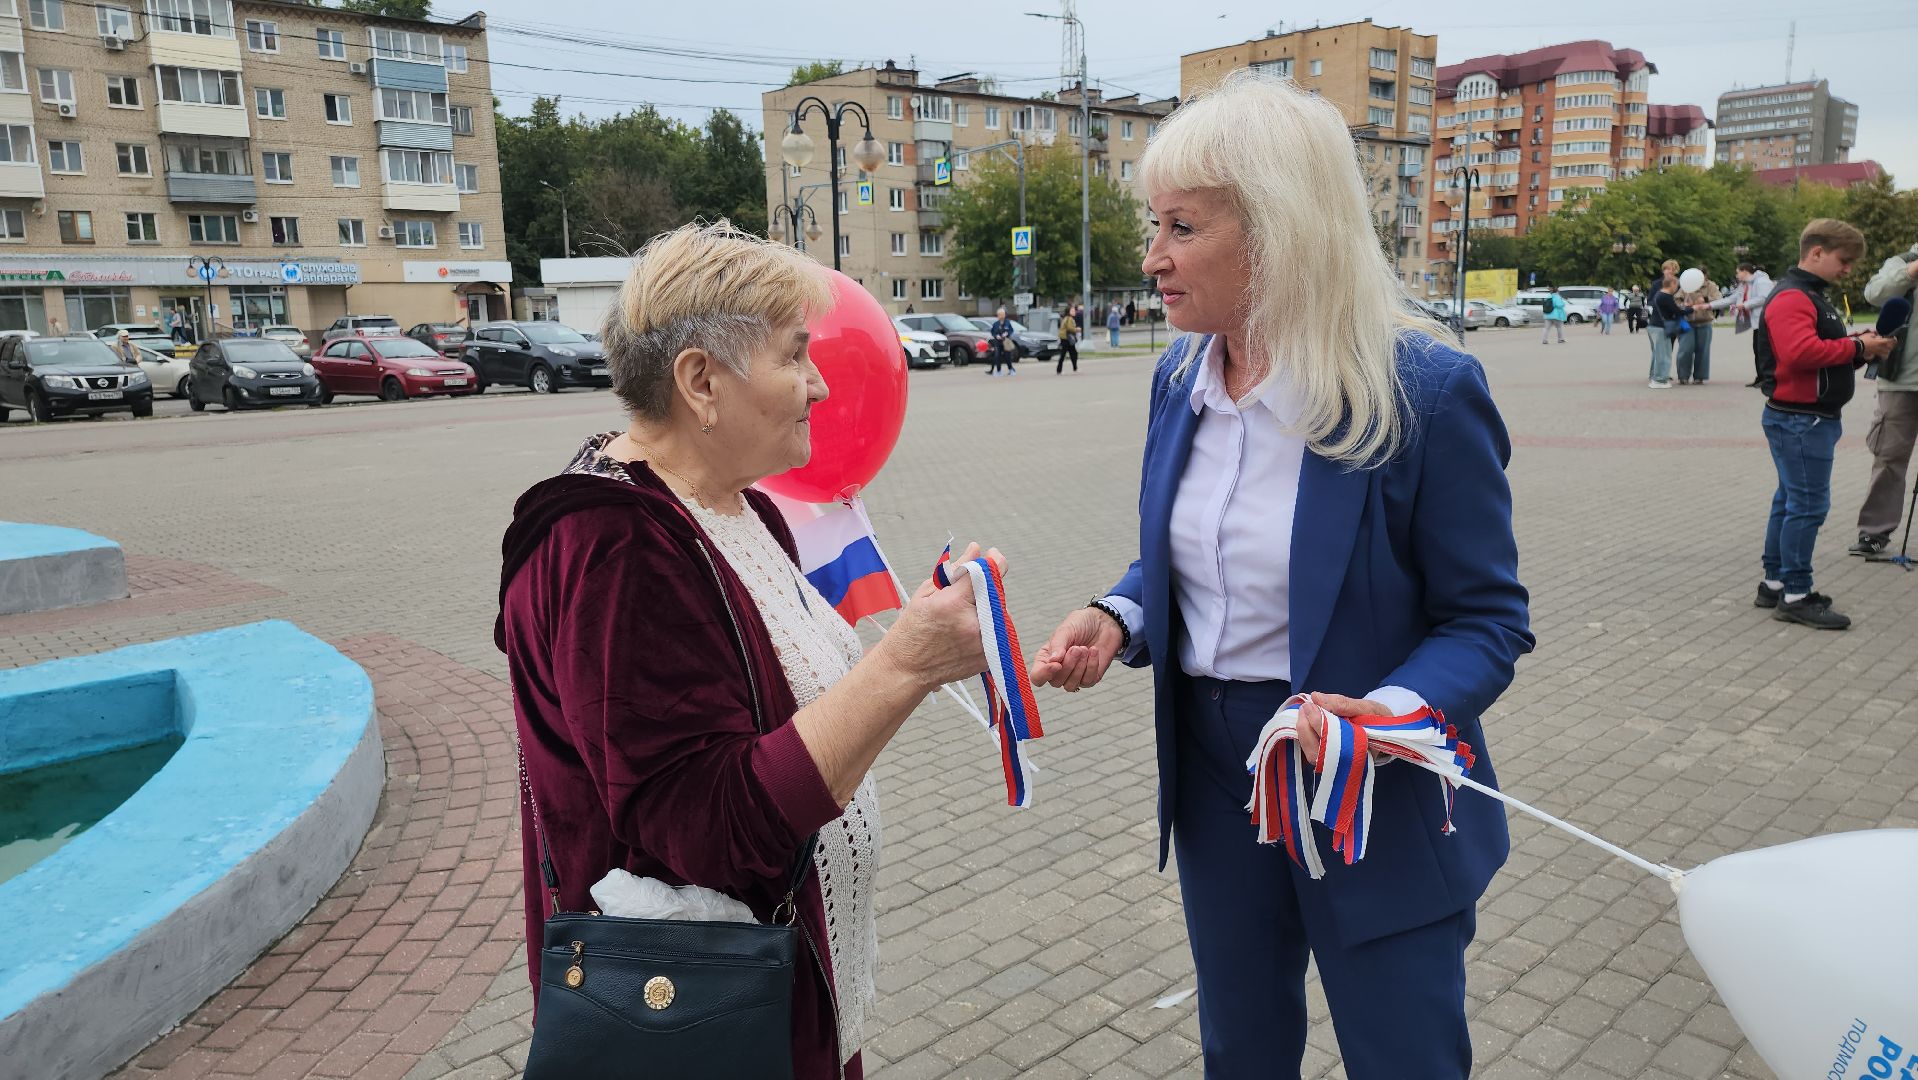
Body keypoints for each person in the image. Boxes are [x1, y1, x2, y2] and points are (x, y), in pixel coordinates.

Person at [1027, 71, 1532, 1080]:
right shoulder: (1181, 378)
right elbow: (1181, 556)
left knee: (1403, 1054)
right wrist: (1119, 614)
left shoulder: (1420, 394)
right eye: (1152, 224)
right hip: (1221, 774)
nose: (1151, 258)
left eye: (1181, 227)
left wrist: (1383, 716)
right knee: (1241, 1046)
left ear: (1279, 228)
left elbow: (1486, 620)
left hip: (1370, 791)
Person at [495, 222, 998, 1079]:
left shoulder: (743, 511)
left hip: (782, 989)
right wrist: (904, 664)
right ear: (701, 382)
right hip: (698, 1019)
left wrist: (909, 639)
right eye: (796, 357)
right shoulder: (615, 550)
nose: (822, 383)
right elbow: (708, 829)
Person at [1754, 218, 1895, 629]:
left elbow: (1817, 351)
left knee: (1789, 501)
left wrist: (1859, 349)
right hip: (1802, 419)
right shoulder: (1794, 297)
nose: (1848, 269)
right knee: (1808, 506)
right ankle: (1797, 594)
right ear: (1816, 252)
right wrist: (1857, 345)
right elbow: (1800, 353)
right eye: (1843, 260)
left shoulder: (1809, 295)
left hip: (1804, 417)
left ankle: (1775, 584)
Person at [1848, 243, 1918, 558]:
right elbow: (1875, 293)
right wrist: (1912, 271)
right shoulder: (1902, 262)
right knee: (1889, 458)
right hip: (1902, 380)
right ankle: (1874, 533)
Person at [1674, 273, 1722, 385]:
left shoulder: (1711, 286)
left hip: (1704, 321)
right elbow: (1676, 300)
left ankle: (1699, 376)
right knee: (1685, 349)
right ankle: (1683, 376)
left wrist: (1705, 299)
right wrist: (1684, 304)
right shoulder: (1686, 285)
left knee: (1703, 350)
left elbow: (1718, 299)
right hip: (1687, 322)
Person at [1648, 278, 1684, 389]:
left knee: (1660, 354)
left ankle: (1657, 377)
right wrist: (1692, 308)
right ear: (1672, 284)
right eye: (1676, 285)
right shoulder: (1666, 296)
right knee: (1663, 355)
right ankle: (1659, 380)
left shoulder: (1659, 294)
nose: (1677, 287)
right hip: (1660, 328)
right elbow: (1677, 312)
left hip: (1654, 326)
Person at [988, 306, 1015, 377]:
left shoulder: (1008, 322)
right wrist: (996, 336)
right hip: (998, 342)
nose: (1000, 316)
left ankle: (1011, 369)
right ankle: (999, 371)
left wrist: (1007, 333)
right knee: (997, 356)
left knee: (1007, 357)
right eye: (999, 314)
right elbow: (992, 332)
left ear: (1004, 315)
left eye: (1002, 314)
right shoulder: (995, 324)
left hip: (1006, 342)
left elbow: (1011, 330)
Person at [1056, 306, 1080, 373]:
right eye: (1072, 311)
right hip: (1067, 338)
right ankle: (1060, 370)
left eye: (1074, 310)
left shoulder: (1066, 318)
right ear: (1068, 312)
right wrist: (1076, 329)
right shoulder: (1069, 318)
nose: (1074, 312)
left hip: (1065, 338)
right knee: (1067, 354)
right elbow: (1069, 328)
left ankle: (1074, 368)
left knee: (1072, 353)